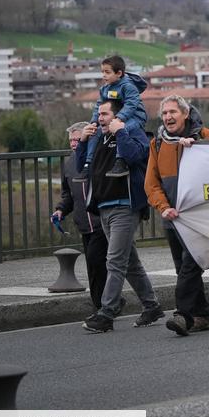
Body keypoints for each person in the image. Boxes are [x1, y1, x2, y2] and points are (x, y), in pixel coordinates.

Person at [76, 99, 162, 332]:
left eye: (105, 114)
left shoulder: (133, 134)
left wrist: (121, 132)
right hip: (104, 207)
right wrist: (83, 141)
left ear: (117, 116)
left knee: (114, 261)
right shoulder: (99, 140)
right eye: (98, 113)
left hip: (125, 207)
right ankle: (152, 306)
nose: (100, 117)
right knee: (130, 263)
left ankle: (107, 313)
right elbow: (81, 167)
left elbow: (135, 156)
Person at [144, 95, 209, 336]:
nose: (168, 117)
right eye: (164, 113)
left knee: (190, 266)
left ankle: (182, 315)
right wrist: (163, 207)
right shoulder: (157, 143)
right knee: (182, 269)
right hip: (172, 217)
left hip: (198, 219)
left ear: (186, 114)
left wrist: (197, 150)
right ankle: (204, 316)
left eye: (173, 112)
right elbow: (151, 183)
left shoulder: (205, 137)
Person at [53, 122, 107, 313]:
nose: (74, 144)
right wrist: (60, 210)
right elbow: (68, 194)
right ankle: (100, 304)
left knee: (97, 261)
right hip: (84, 224)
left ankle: (105, 305)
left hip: (102, 221)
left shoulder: (98, 157)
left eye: (77, 139)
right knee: (93, 267)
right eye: (71, 141)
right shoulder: (69, 163)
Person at [76, 55, 148, 181]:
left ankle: (120, 161)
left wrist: (119, 118)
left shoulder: (128, 86)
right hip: (117, 117)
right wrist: (93, 122)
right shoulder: (105, 88)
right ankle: (88, 165)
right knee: (94, 133)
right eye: (102, 72)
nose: (104, 75)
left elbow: (131, 104)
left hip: (135, 117)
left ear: (119, 73)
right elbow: (99, 105)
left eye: (107, 72)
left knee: (121, 130)